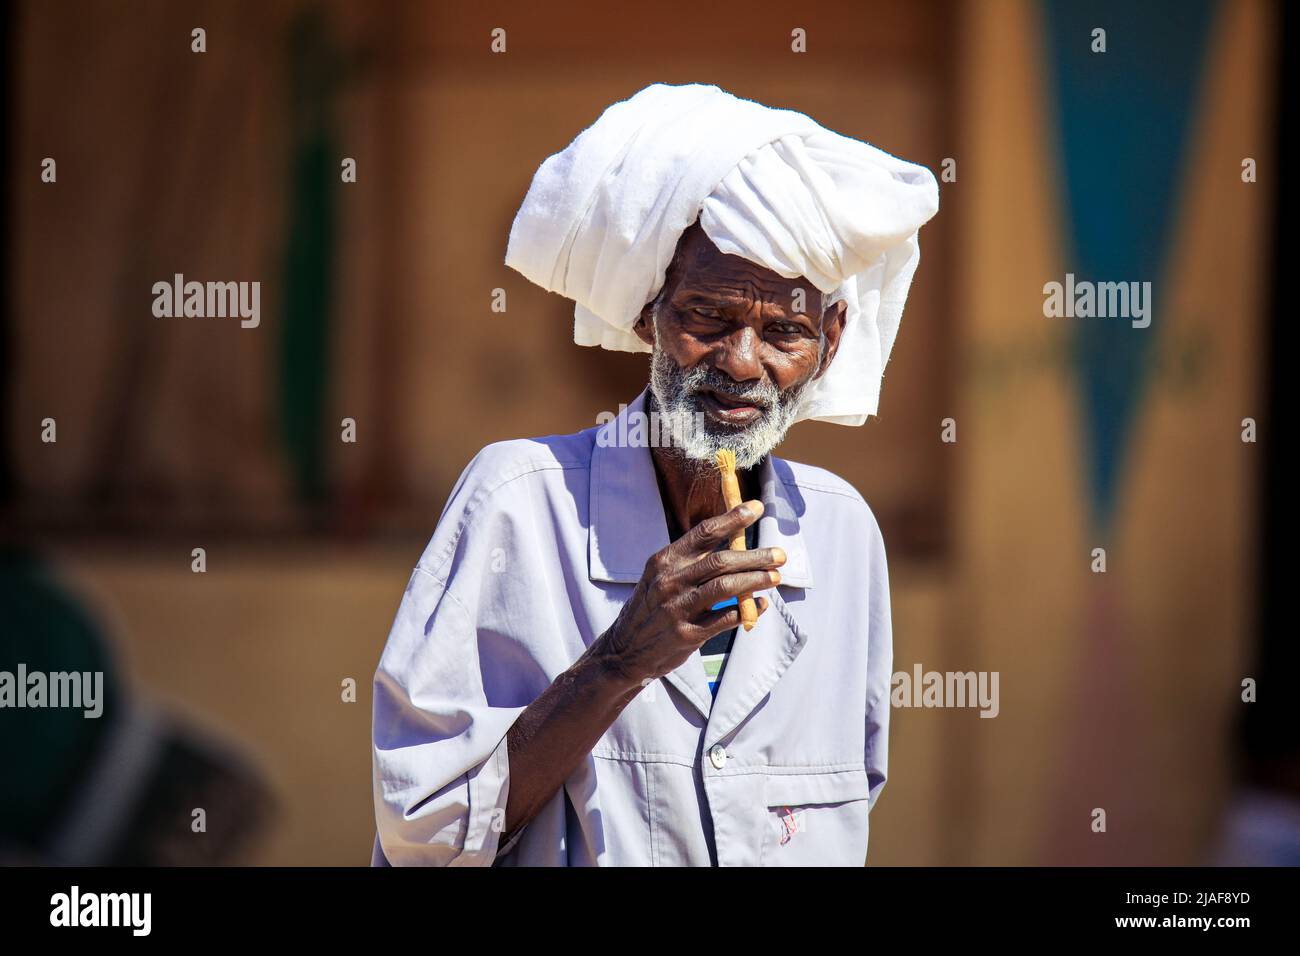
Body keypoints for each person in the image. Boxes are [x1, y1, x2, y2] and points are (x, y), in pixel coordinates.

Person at [371, 83, 939, 866]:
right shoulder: (516, 502)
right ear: (649, 310)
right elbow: (424, 837)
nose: (742, 364)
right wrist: (618, 663)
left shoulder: (842, 535)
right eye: (708, 317)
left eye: (784, 331)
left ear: (831, 341)